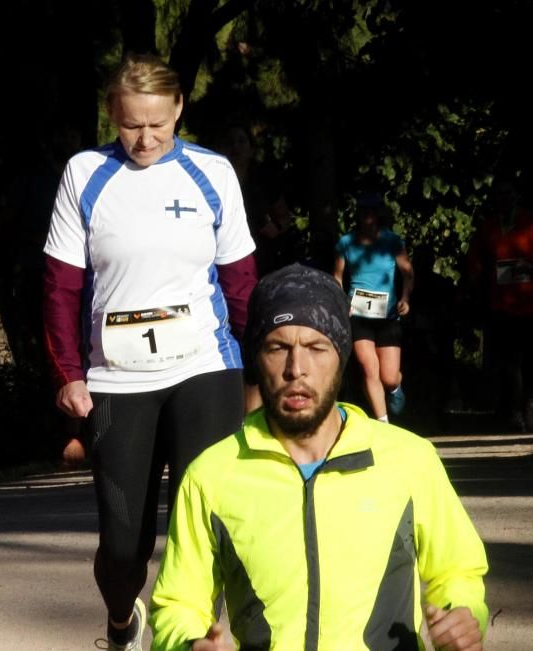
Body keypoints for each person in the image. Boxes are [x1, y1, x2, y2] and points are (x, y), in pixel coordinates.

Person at [150, 264, 489, 651]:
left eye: (316, 348)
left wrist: (464, 613)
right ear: (257, 360)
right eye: (278, 347)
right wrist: (187, 643)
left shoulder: (410, 459)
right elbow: (179, 602)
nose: (297, 369)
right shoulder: (211, 475)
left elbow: (458, 570)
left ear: (340, 357)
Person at [43, 53, 257, 650]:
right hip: (117, 377)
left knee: (204, 526)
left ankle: (198, 639)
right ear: (113, 113)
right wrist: (67, 373)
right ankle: (120, 621)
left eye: (158, 124)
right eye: (132, 124)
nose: (145, 138)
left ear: (180, 109)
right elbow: (61, 286)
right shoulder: (85, 174)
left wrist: (261, 368)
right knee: (122, 545)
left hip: (205, 366)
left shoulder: (212, 173)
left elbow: (240, 280)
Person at [333, 192, 414, 421]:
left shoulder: (392, 242)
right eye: (363, 212)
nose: (368, 217)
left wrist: (405, 298)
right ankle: (383, 422)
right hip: (358, 314)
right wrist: (341, 302)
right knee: (369, 367)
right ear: (358, 214)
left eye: (372, 212)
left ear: (379, 215)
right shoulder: (346, 243)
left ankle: (396, 387)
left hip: (387, 315)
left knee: (388, 376)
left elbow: (408, 273)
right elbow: (337, 277)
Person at [466, 175, 533, 432]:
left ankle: (527, 405)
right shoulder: (489, 227)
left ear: (516, 197)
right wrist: (477, 278)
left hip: (529, 305)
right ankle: (513, 411)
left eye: (508, 195)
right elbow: (475, 262)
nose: (504, 200)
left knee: (528, 361)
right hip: (500, 306)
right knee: (509, 362)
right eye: (499, 196)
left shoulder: (529, 223)